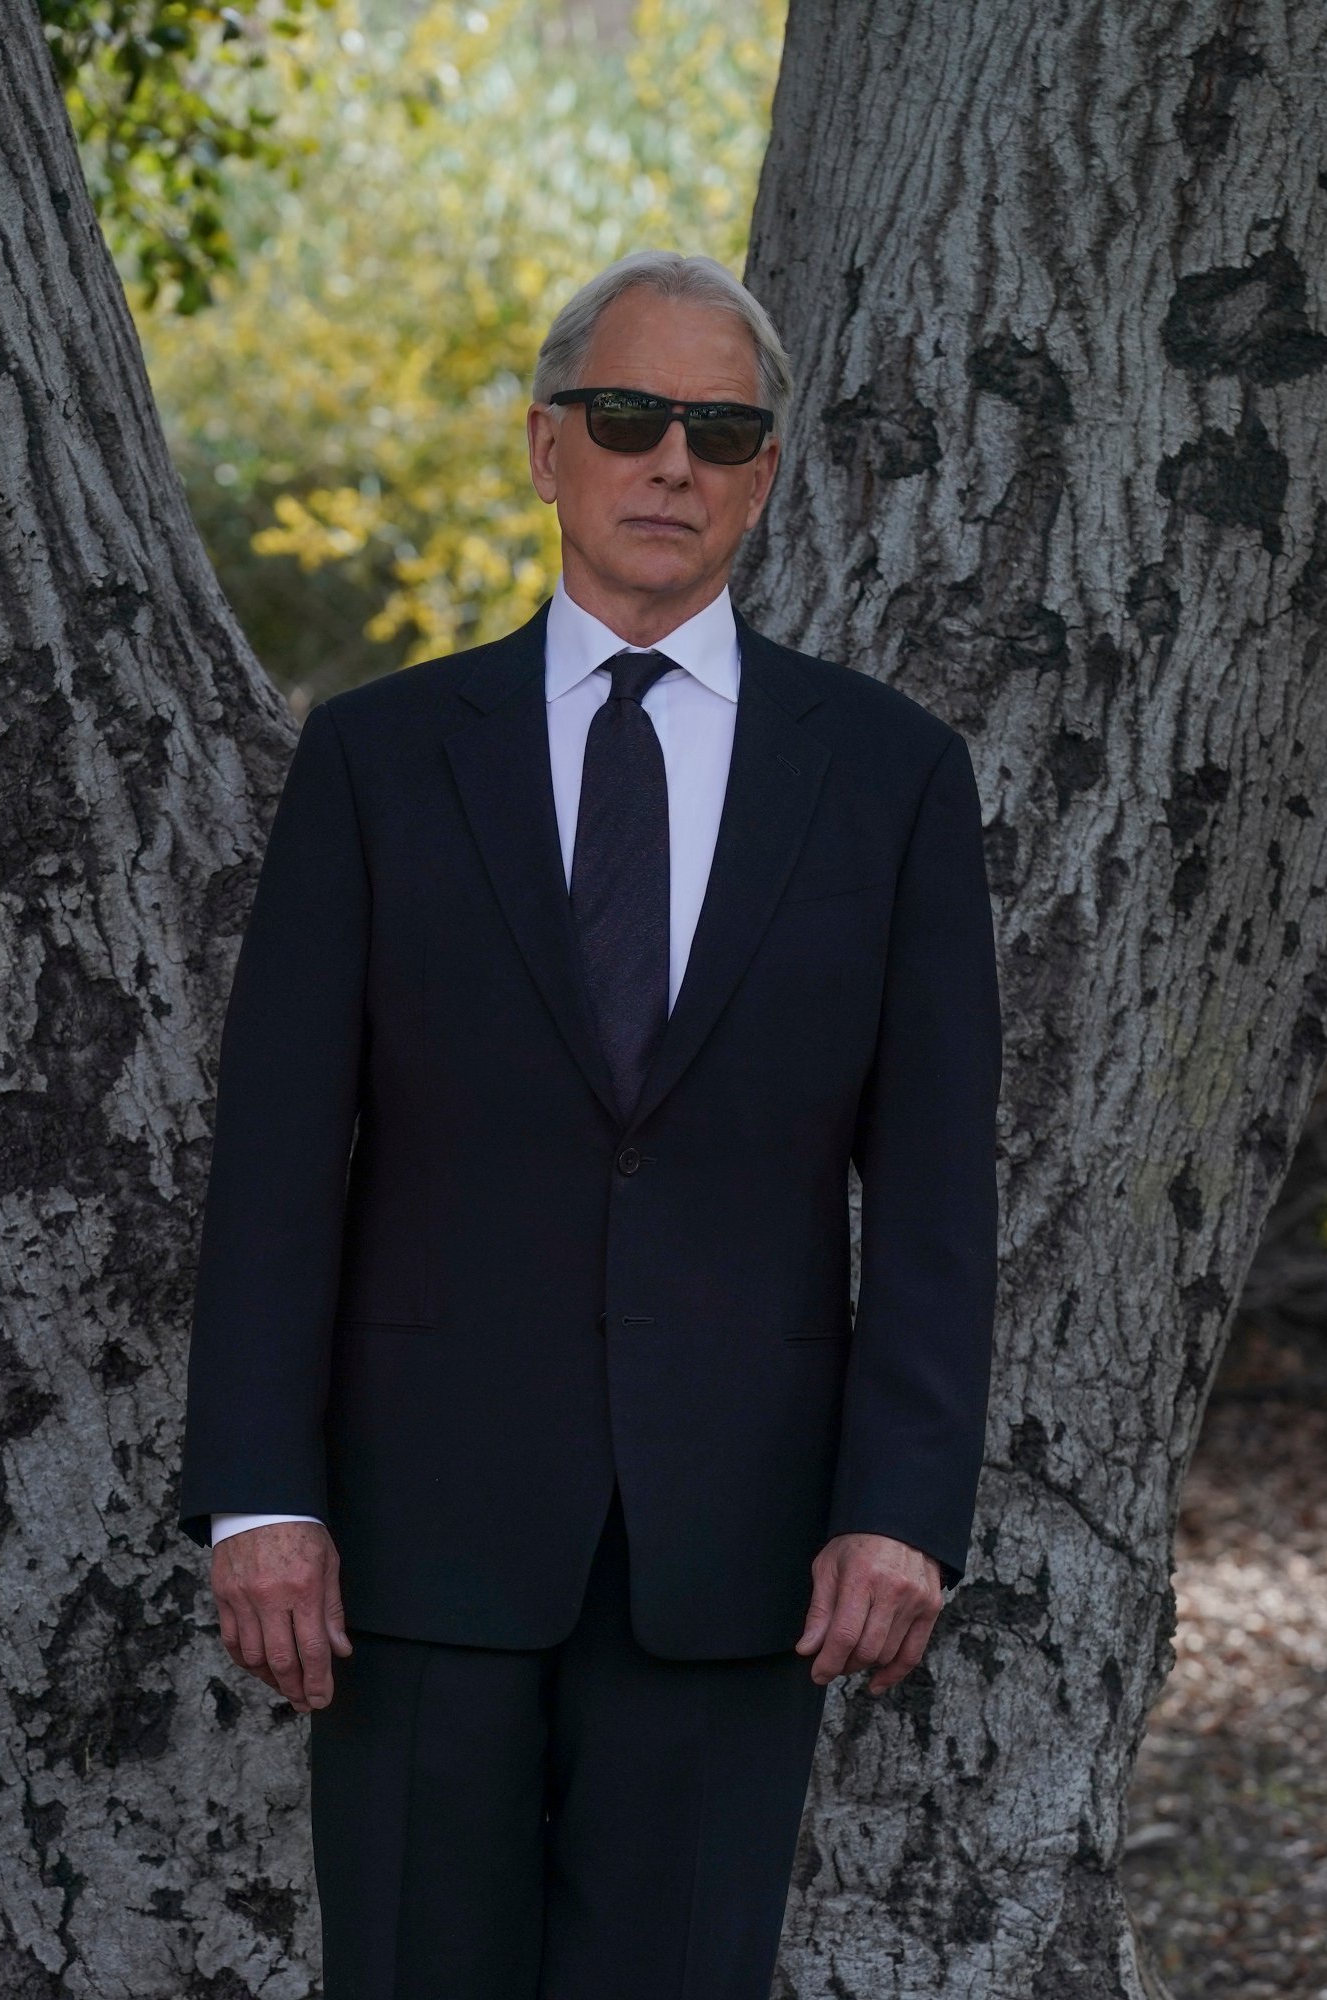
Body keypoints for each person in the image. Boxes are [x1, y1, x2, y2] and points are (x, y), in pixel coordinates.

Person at [176, 248, 1002, 2000]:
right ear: (546, 446)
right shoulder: (383, 760)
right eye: (629, 416)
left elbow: (933, 1186)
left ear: (766, 474)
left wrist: (904, 1507)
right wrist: (258, 1497)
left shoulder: (891, 779)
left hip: (740, 1554)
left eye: (720, 429)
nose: (672, 463)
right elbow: (273, 1163)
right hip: (412, 1544)